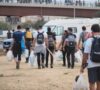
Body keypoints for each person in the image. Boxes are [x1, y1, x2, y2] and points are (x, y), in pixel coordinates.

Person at [80, 24, 100, 90]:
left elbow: (85, 55)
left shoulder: (89, 40)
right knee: (99, 83)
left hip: (91, 65)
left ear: (92, 31)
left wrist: (82, 66)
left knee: (92, 84)